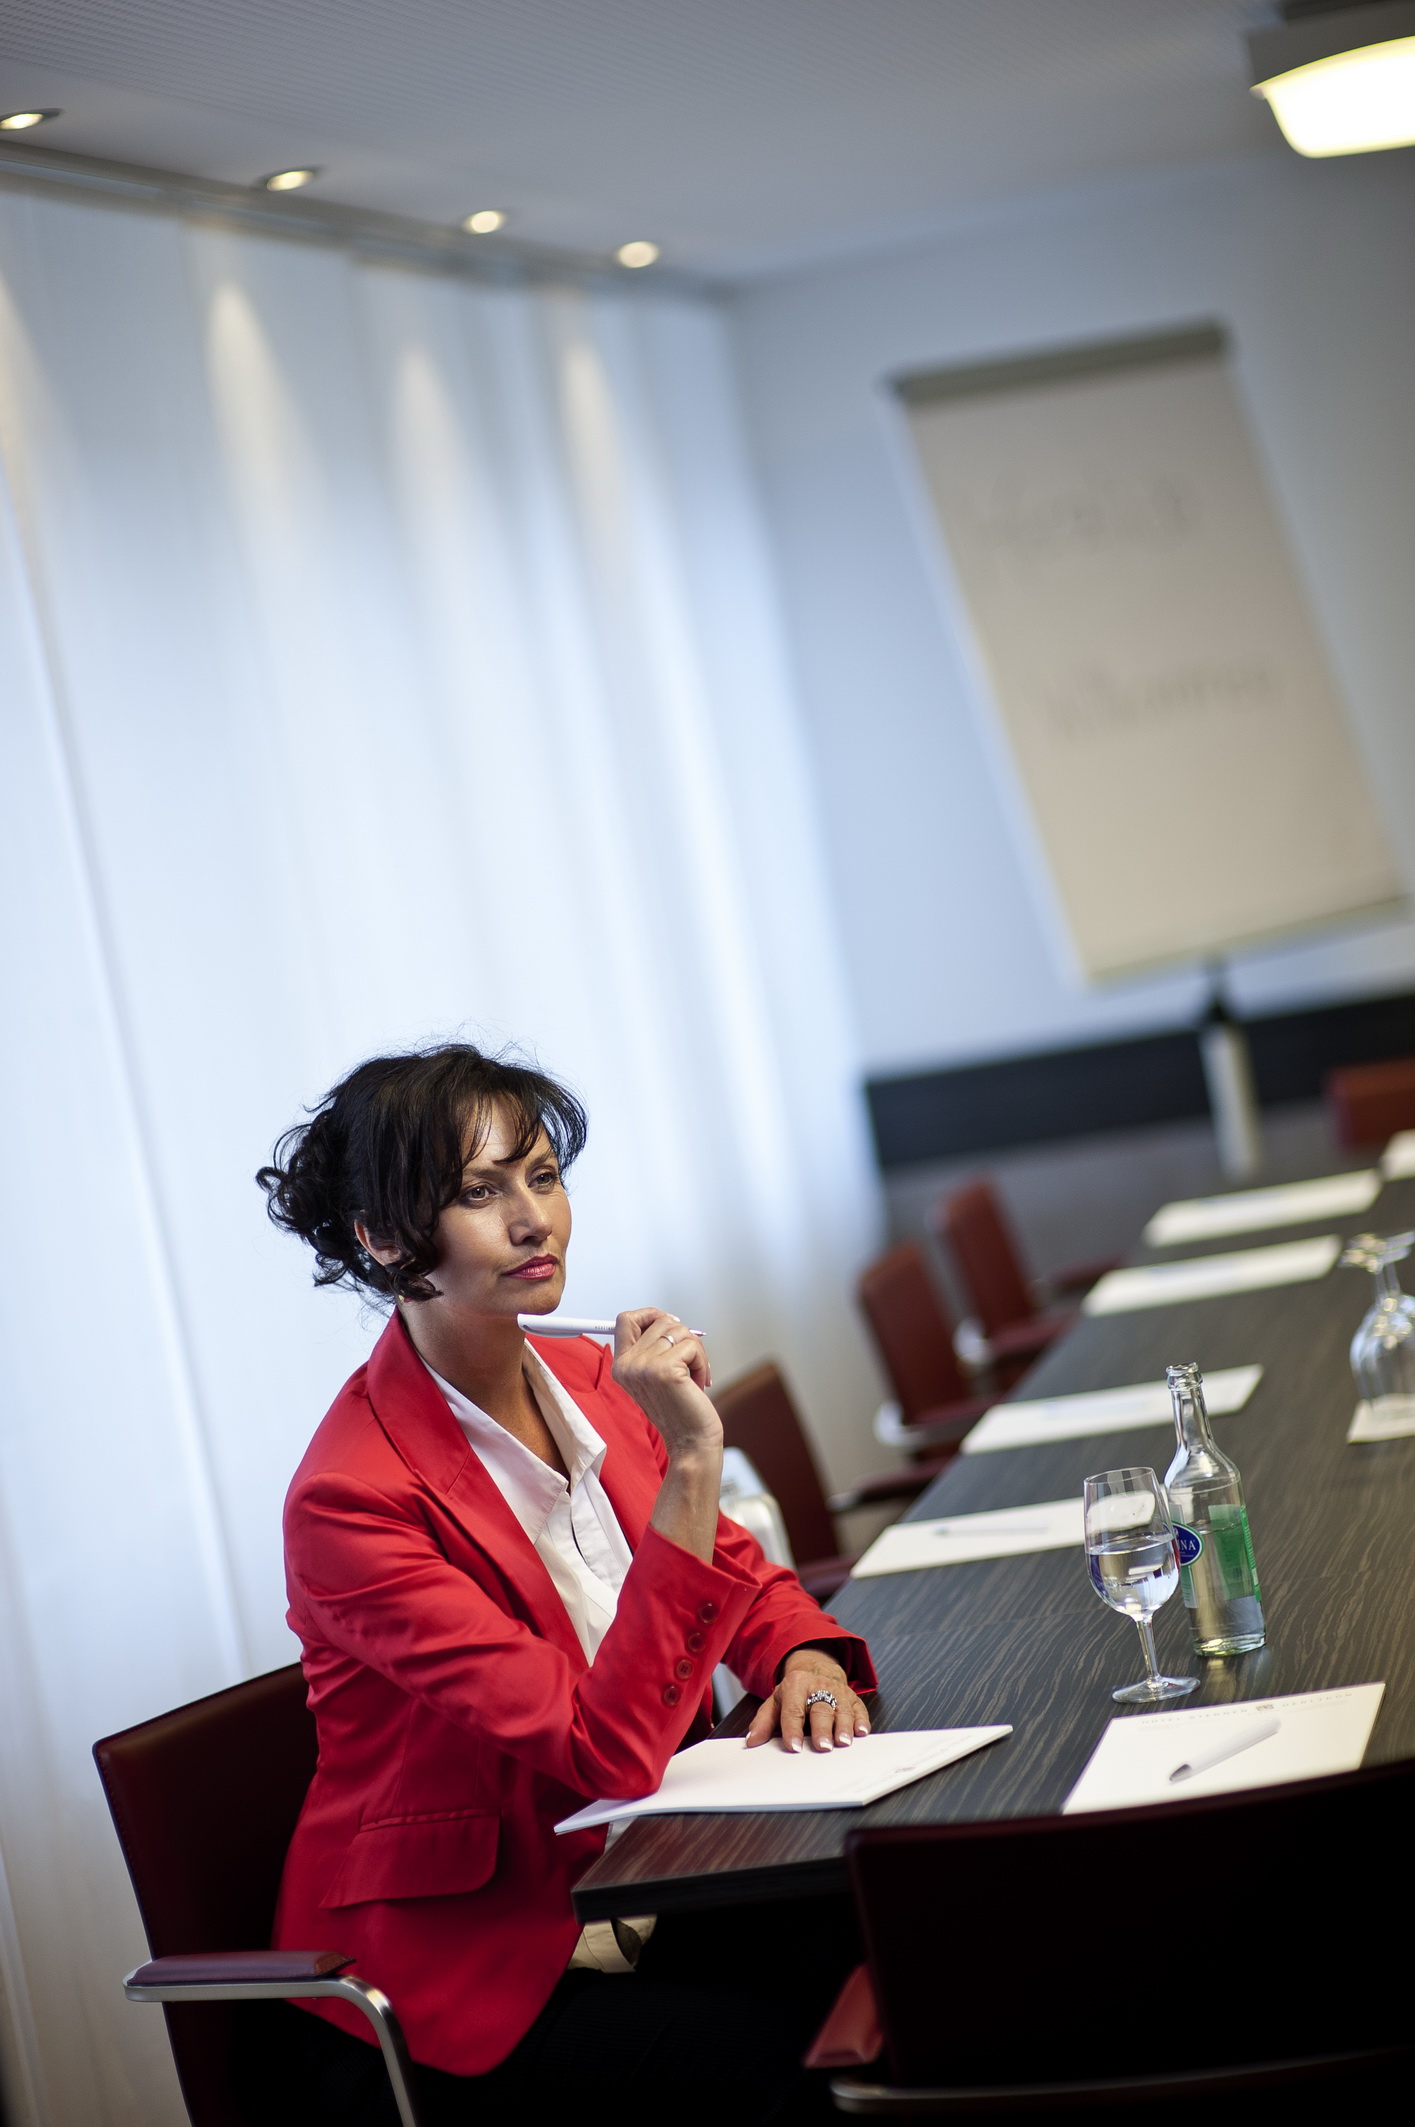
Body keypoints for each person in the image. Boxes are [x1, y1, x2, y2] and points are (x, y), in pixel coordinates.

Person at [253, 1043, 876, 2126]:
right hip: (484, 1973)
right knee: (798, 2064)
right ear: (384, 1239)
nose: (532, 1219)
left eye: (542, 1177)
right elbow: (607, 1750)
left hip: (652, 1878)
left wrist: (802, 1653)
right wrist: (693, 1459)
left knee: (907, 1937)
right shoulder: (351, 1499)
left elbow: (738, 1577)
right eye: (478, 1193)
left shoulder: (593, 1380)